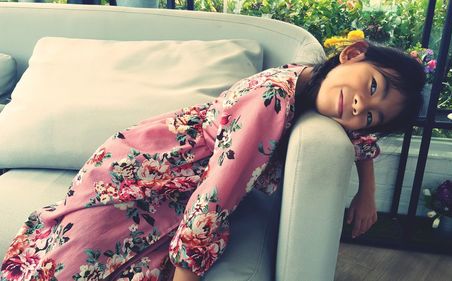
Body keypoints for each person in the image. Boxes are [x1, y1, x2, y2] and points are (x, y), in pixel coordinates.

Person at [1, 40, 424, 281]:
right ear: (352, 53)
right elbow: (216, 198)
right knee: (73, 260)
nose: (359, 105)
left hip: (179, 176)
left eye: (372, 112)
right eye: (371, 85)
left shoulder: (315, 83)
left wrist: (366, 193)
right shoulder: (273, 99)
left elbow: (360, 137)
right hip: (146, 167)